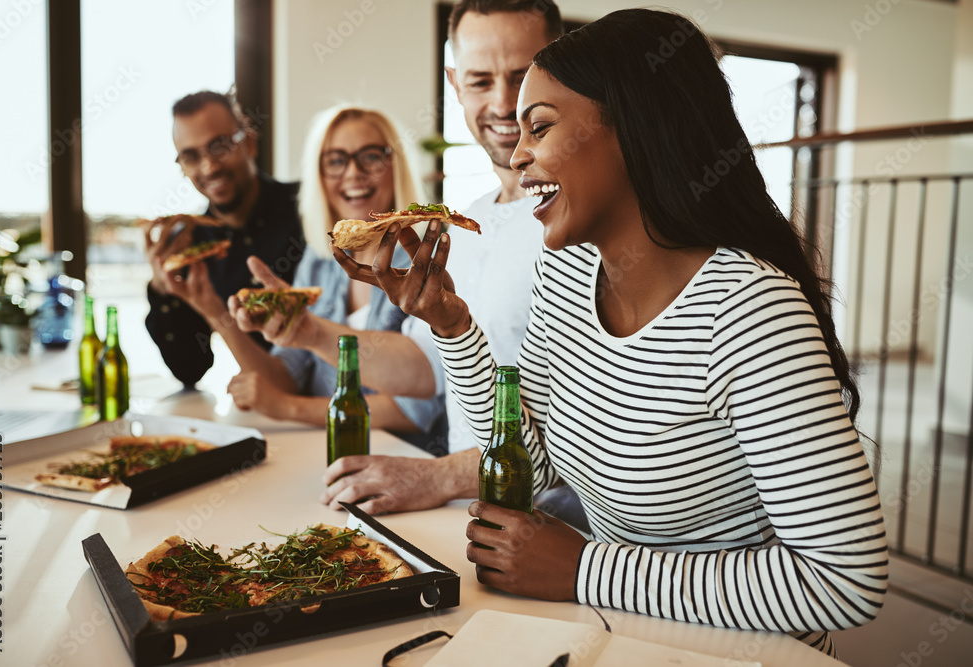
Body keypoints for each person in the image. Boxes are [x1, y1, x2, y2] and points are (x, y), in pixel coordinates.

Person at [335, 8, 888, 657]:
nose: (517, 154)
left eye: (539, 126)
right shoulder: (567, 273)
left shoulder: (748, 310)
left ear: (631, 128)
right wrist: (452, 326)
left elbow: (846, 579)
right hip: (614, 632)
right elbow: (531, 462)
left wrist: (584, 568)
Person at [318, 0, 577, 518]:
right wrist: (300, 332)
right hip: (467, 518)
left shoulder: (581, 222)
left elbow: (583, 433)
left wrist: (436, 475)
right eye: (481, 81)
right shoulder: (468, 220)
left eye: (522, 78)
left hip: (559, 533)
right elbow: (427, 370)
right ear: (455, 85)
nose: (505, 104)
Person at [188, 104, 444, 450]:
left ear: (395, 164)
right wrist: (210, 306)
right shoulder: (321, 258)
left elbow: (417, 409)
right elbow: (285, 376)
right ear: (320, 177)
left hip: (407, 459)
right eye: (336, 161)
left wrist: (288, 408)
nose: (353, 173)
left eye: (370, 156)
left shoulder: (427, 256)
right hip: (325, 452)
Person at [144, 90, 304, 387]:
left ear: (250, 143)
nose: (209, 167)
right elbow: (190, 369)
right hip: (261, 410)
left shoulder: (310, 207)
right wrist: (163, 289)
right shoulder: (189, 244)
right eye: (191, 156)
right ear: (182, 167)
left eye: (219, 146)